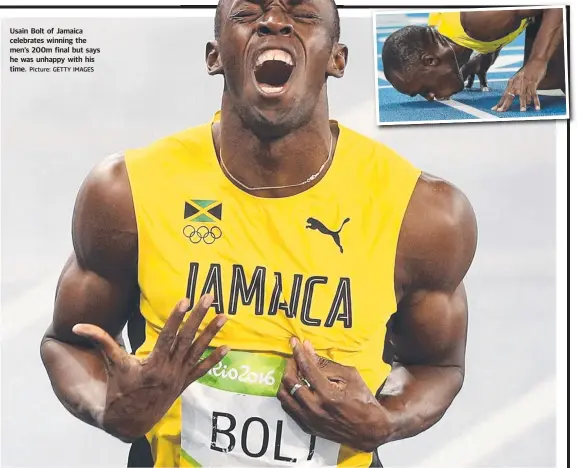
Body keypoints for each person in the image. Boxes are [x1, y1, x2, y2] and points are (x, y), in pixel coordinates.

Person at [40, 1, 477, 467]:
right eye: (247, 13)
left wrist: (386, 421)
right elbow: (68, 341)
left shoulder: (422, 213)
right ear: (215, 56)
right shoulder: (127, 190)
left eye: (303, 14)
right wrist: (111, 406)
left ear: (337, 59)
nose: (273, 21)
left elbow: (438, 365)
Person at [382, 8, 565, 112]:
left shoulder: (477, 19)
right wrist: (488, 52)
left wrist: (537, 61)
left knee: (548, 78)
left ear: (431, 61)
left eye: (423, 90)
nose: (430, 97)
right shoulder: (446, 31)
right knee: (548, 82)